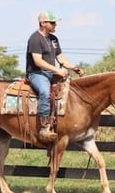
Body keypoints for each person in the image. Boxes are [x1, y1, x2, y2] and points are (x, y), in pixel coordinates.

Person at [26, 11, 84, 143]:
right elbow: (38, 61)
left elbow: (60, 57)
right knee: (45, 93)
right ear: (43, 23)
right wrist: (57, 70)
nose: (55, 25)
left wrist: (73, 67)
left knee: (69, 90)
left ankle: (63, 122)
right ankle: (44, 126)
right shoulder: (35, 39)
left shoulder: (53, 39)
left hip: (49, 73)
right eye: (52, 22)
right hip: (36, 73)